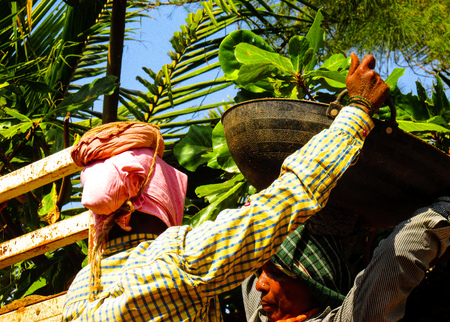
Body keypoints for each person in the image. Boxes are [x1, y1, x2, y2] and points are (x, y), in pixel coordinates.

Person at [61, 53, 390, 322]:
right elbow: (292, 193)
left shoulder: (82, 287)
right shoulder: (180, 260)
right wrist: (358, 110)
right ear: (150, 201)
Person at [242, 197, 450, 322]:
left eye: (277, 273)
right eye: (260, 271)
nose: (260, 284)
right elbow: (237, 254)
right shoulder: (259, 315)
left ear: (313, 283)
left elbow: (396, 255)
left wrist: (443, 210)